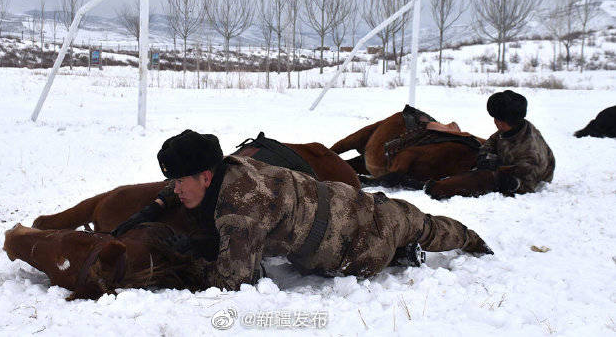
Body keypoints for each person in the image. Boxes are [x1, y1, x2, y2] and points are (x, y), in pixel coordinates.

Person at [112, 129, 493, 291]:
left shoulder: (240, 211)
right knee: (420, 223)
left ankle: (469, 243)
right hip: (352, 204)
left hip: (357, 247)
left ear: (207, 176)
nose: (176, 189)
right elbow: (181, 187)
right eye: (174, 183)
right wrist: (149, 211)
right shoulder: (233, 166)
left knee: (428, 229)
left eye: (181, 182)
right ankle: (444, 244)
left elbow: (232, 281)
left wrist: (183, 258)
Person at [425, 90, 555, 199]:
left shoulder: (531, 153)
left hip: (525, 174)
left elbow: (527, 185)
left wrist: (506, 181)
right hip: (511, 164)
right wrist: (486, 157)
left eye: (496, 119)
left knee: (485, 179)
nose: (494, 122)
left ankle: (441, 188)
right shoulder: (511, 128)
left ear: (504, 121)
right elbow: (490, 143)